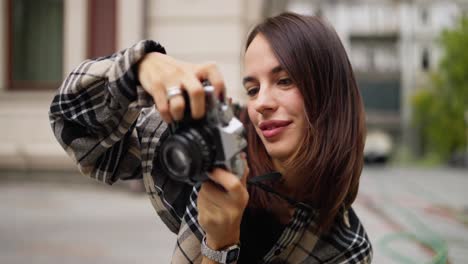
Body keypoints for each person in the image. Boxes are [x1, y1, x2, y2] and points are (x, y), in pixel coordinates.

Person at [49, 12, 372, 263]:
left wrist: (221, 243)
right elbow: (74, 126)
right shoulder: (211, 142)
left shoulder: (346, 249)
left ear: (331, 92)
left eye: (284, 80)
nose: (261, 103)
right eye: (252, 89)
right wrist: (143, 66)